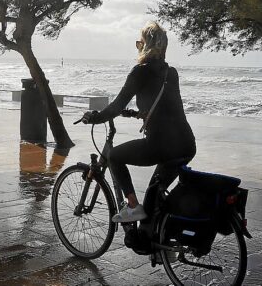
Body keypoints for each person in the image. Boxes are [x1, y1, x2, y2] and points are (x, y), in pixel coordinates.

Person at [80, 22, 196, 223]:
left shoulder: (140, 71)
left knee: (114, 156)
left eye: (139, 43)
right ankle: (159, 243)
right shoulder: (171, 73)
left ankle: (133, 207)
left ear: (146, 45)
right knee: (154, 200)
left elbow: (116, 105)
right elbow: (168, 107)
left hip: (161, 145)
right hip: (186, 144)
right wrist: (138, 114)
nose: (138, 47)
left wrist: (96, 118)